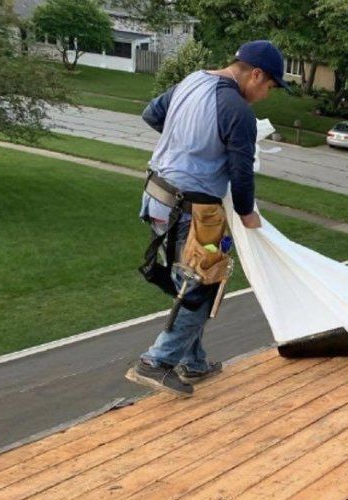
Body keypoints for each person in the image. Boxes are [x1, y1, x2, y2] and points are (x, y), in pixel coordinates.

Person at [126, 41, 287, 398]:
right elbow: (241, 173)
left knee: (188, 278)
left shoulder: (190, 82)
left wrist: (187, 143)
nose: (265, 95)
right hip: (193, 210)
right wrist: (248, 214)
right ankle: (158, 361)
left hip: (156, 198)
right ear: (255, 74)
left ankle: (193, 361)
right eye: (269, 87)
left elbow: (153, 115)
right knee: (204, 282)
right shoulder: (238, 111)